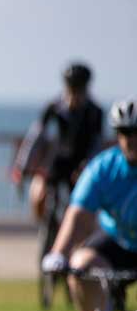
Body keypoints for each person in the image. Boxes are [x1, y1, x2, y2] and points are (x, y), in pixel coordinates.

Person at [41, 98, 137, 311]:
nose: (131, 139)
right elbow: (78, 216)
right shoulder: (103, 168)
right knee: (81, 265)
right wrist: (58, 253)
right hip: (116, 239)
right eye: (125, 132)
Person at [13, 62, 104, 223]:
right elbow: (35, 137)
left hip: (79, 164)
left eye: (79, 90)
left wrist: (88, 166)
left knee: (82, 207)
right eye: (72, 89)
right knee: (39, 197)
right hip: (54, 164)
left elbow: (96, 145)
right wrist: (22, 166)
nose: (75, 95)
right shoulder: (53, 108)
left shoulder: (94, 112)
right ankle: (44, 228)